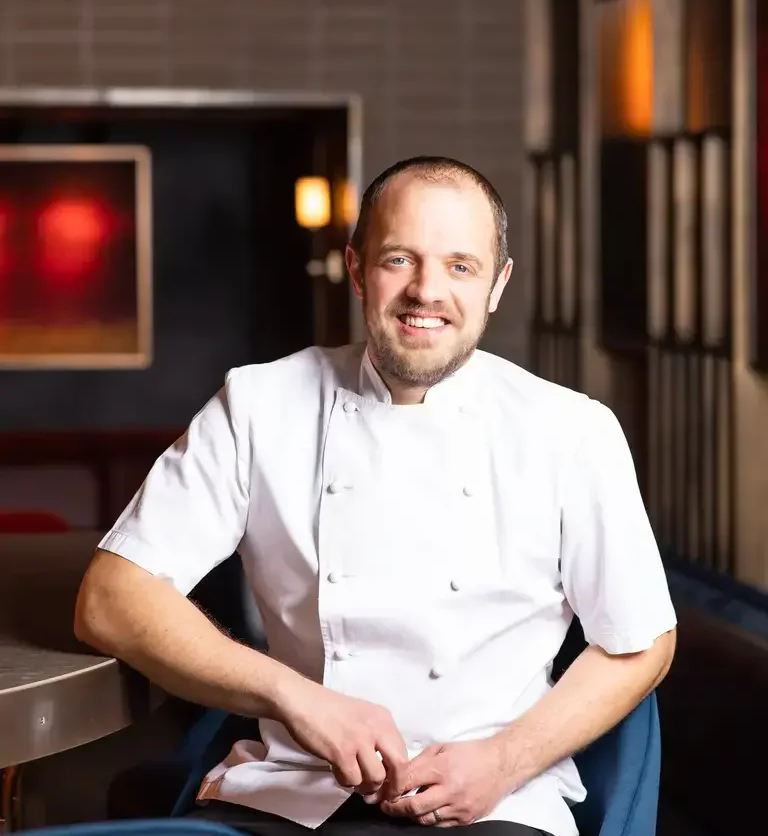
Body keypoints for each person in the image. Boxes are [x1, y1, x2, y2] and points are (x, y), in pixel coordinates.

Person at [75, 156, 677, 836]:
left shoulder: (572, 430)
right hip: (295, 788)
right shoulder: (259, 404)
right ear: (357, 269)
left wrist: (506, 761)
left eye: (460, 266)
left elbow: (639, 642)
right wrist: (296, 697)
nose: (427, 291)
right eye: (400, 260)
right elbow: (109, 599)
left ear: (497, 285)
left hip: (494, 801)